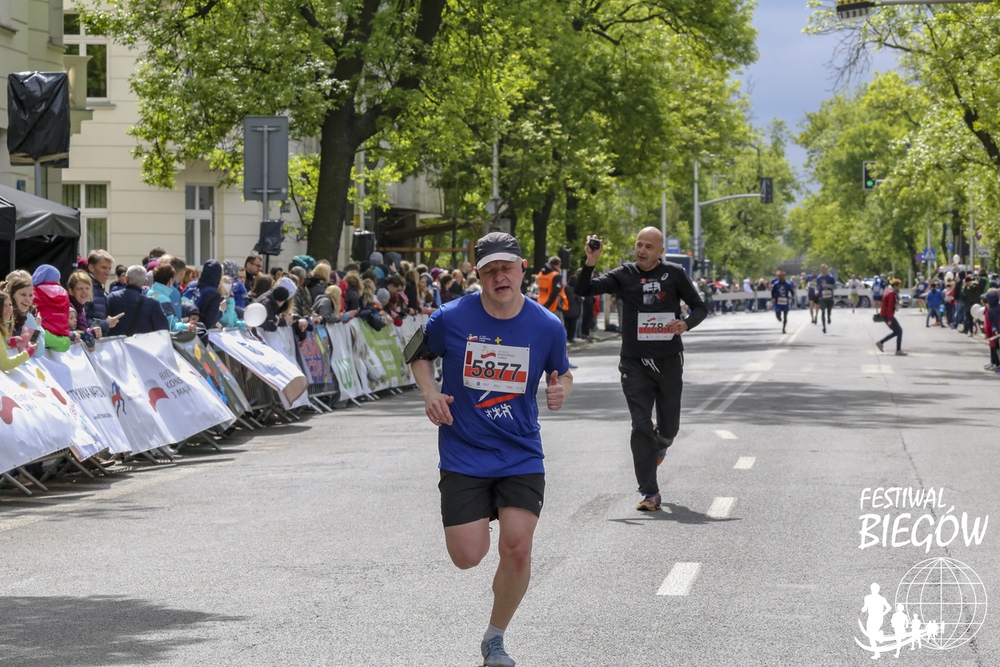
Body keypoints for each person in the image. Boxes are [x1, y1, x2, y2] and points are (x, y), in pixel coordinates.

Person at [408, 232, 572, 667]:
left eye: (507, 267)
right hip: (464, 452)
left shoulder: (546, 325)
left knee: (517, 548)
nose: (501, 276)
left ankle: (495, 638)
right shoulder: (449, 317)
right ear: (478, 275)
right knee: (468, 556)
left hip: (520, 452)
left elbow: (562, 373)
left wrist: (561, 390)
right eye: (491, 269)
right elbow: (417, 354)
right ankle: (485, 520)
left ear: (522, 270)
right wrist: (429, 392)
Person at [576, 227, 707, 511]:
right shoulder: (625, 274)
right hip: (634, 363)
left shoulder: (674, 273)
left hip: (668, 361)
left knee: (669, 430)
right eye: (639, 245)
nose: (642, 251)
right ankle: (650, 491)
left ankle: (661, 443)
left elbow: (700, 307)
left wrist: (685, 323)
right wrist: (591, 261)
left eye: (648, 246)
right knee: (640, 424)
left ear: (661, 252)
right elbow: (582, 289)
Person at [106, 265, 169, 336]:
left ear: (126, 279)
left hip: (116, 342)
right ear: (145, 282)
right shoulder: (153, 303)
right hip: (143, 342)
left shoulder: (112, 298)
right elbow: (163, 330)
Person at [0, 292, 35, 371]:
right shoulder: (29, 317)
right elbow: (4, 364)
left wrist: (9, 342)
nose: (9, 309)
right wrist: (29, 352)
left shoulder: (5, 324)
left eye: (10, 305)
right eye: (4, 305)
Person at [875, 278, 907, 356]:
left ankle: (881, 342)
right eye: (899, 286)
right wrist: (890, 319)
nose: (900, 287)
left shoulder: (889, 291)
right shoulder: (892, 293)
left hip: (885, 314)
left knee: (897, 331)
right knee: (899, 331)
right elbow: (890, 306)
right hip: (887, 315)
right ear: (895, 286)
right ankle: (898, 350)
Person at [536, 256, 568, 322]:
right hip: (553, 307)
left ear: (549, 263)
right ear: (559, 265)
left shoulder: (540, 274)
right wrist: (547, 306)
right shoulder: (556, 275)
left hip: (540, 304)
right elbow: (555, 292)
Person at [771, 269, 795, 334]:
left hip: (785, 301)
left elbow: (792, 291)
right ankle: (779, 318)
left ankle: (784, 328)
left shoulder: (788, 284)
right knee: (778, 314)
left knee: (785, 316)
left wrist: (792, 296)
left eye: (783, 276)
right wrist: (773, 298)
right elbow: (772, 291)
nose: (781, 277)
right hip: (778, 301)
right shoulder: (776, 284)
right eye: (780, 276)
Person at [816, 264, 836, 334]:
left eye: (825, 269)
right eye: (823, 269)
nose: (824, 270)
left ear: (827, 269)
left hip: (829, 297)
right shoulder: (819, 278)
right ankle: (824, 327)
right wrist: (816, 291)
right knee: (823, 311)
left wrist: (828, 286)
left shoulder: (830, 277)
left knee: (829, 310)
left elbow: (834, 286)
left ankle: (829, 316)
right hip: (822, 297)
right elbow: (817, 286)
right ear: (821, 269)